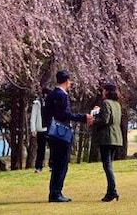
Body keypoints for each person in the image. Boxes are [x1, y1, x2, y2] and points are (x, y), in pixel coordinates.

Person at [44, 70, 93, 202]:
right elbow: (65, 114)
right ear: (67, 81)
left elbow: (47, 114)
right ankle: (56, 193)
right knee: (62, 164)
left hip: (52, 132)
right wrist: (83, 117)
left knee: (56, 164)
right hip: (61, 133)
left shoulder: (50, 95)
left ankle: (54, 192)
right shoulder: (62, 95)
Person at [92, 82, 122, 202]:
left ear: (107, 91)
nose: (102, 92)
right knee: (109, 165)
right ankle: (111, 191)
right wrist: (98, 112)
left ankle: (112, 190)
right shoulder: (117, 104)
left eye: (104, 90)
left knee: (107, 165)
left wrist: (93, 121)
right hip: (116, 137)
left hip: (107, 137)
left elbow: (105, 120)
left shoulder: (106, 102)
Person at [30, 88, 48, 173]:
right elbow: (33, 117)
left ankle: (52, 165)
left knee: (53, 147)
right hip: (40, 128)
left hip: (49, 127)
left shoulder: (50, 102)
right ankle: (38, 166)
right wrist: (33, 129)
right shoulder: (37, 103)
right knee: (41, 148)